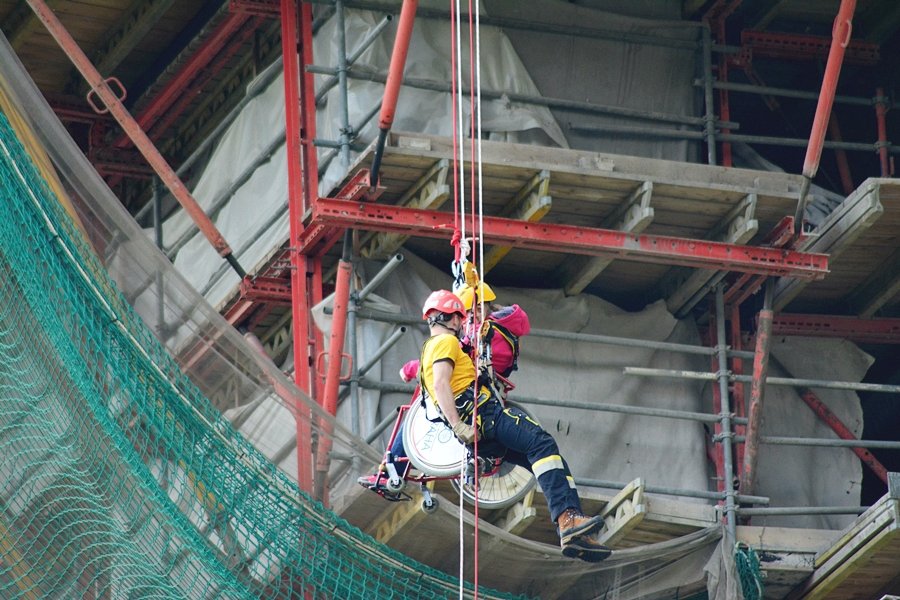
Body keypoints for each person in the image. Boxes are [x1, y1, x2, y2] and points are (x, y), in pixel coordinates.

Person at [415, 289, 610, 562]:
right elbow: (441, 384)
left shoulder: (428, 350)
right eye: (460, 318)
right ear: (449, 318)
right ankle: (568, 521)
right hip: (486, 415)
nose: (462, 324)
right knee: (540, 442)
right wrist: (458, 424)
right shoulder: (446, 343)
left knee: (546, 458)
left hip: (480, 433)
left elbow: (436, 389)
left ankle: (573, 527)